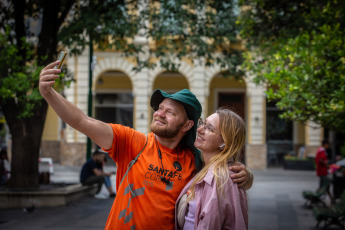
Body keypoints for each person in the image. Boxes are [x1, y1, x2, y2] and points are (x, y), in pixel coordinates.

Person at [39, 60, 253, 229]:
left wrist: (244, 174)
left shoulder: (193, 159)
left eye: (170, 112)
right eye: (160, 108)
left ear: (187, 124)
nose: (159, 114)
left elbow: (219, 171)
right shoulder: (132, 143)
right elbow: (82, 121)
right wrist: (49, 94)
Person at [175, 108, 248, 230]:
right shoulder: (205, 168)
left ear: (225, 142)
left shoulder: (221, 178)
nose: (199, 129)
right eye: (203, 123)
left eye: (209, 128)